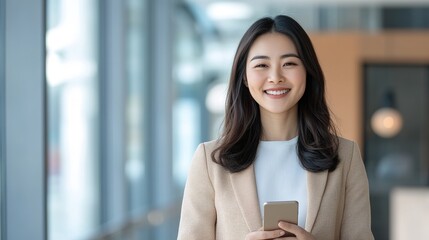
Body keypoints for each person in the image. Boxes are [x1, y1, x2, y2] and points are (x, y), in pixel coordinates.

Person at [177, 15, 374, 240]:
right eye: (262, 65)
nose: (275, 77)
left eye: (289, 63)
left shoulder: (345, 157)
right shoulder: (210, 161)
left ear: (307, 72)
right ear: (244, 77)